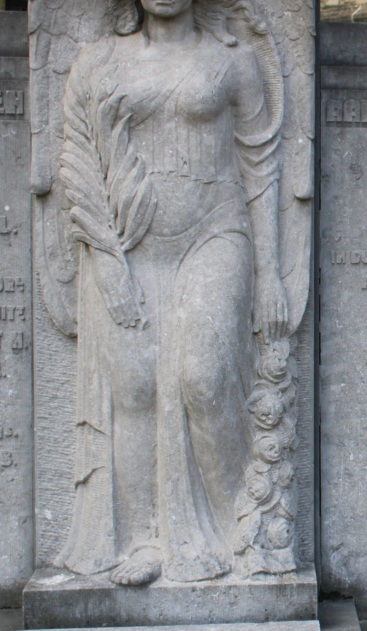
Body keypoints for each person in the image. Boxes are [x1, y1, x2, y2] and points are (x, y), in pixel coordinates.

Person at [54, 0, 288, 585]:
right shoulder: (98, 62)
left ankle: (243, 531)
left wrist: (271, 273)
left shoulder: (232, 60)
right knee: (133, 388)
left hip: (215, 231)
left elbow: (260, 165)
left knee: (202, 376)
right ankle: (145, 542)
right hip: (127, 246)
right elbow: (76, 163)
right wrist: (106, 259)